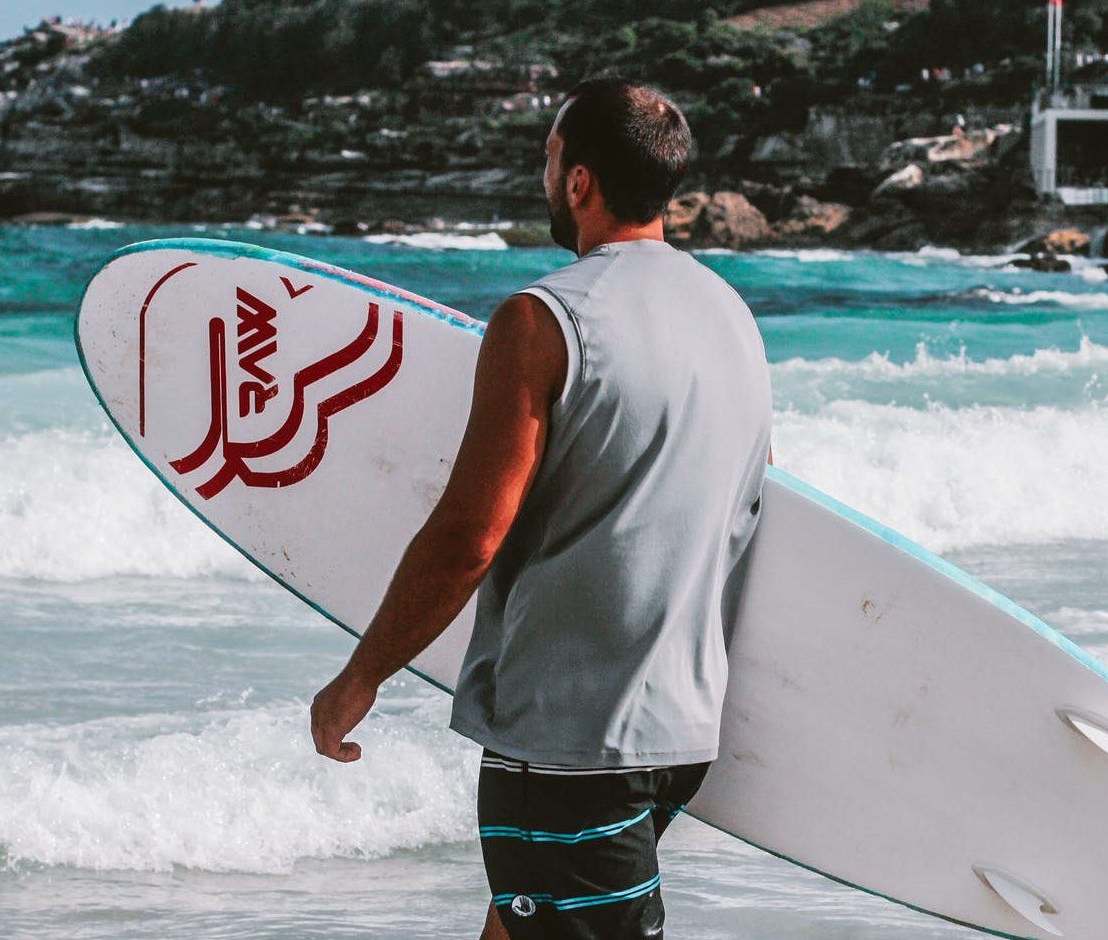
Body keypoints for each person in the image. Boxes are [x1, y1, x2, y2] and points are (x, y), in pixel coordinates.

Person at [308, 78, 774, 940]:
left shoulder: (544, 320)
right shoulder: (732, 318)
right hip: (682, 728)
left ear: (579, 182)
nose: (546, 173)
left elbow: (469, 536)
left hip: (569, 743)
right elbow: (742, 503)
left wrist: (361, 675)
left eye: (550, 156)